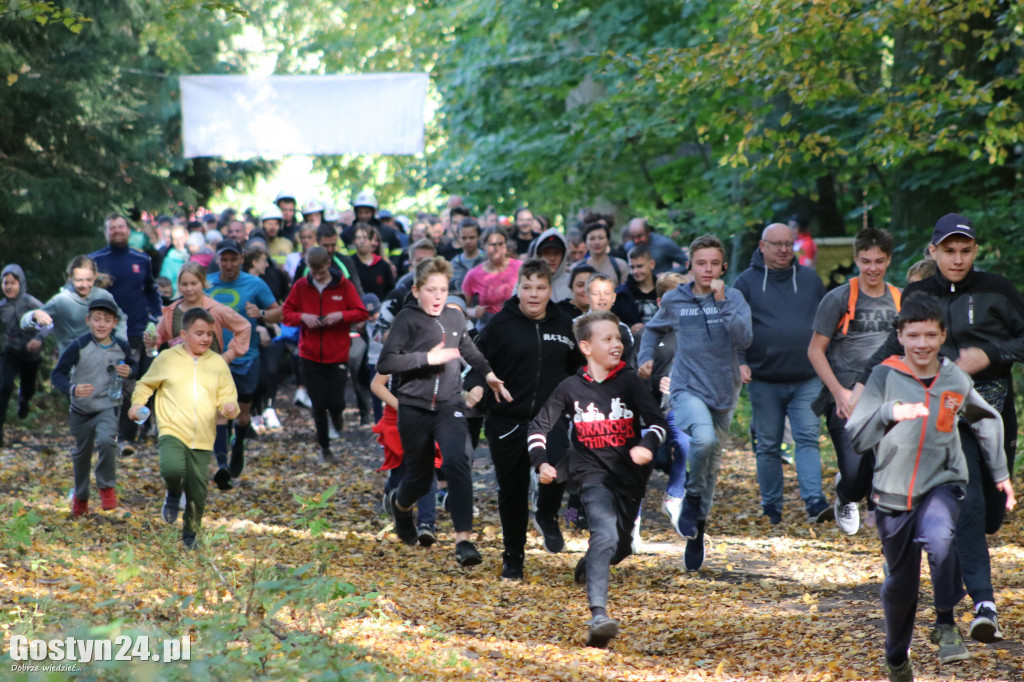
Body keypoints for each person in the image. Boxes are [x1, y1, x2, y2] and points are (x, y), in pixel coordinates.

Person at [856, 213, 1024, 644]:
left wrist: (988, 354)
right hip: (941, 415)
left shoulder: (998, 291)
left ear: (975, 252)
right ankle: (984, 603)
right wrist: (855, 384)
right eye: (949, 251)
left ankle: (966, 564)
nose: (957, 259)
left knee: (986, 513)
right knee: (964, 507)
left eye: (965, 251)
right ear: (933, 252)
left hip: (992, 409)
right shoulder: (919, 293)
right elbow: (899, 341)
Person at [846, 294, 1015, 679]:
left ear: (942, 336)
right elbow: (856, 434)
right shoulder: (884, 376)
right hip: (893, 493)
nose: (922, 344)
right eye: (913, 335)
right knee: (900, 587)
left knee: (940, 538)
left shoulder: (954, 377)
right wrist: (889, 413)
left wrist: (1001, 474)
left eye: (930, 335)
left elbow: (985, 419)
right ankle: (896, 656)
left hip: (944, 481)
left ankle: (945, 624)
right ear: (900, 337)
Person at [528, 310, 667, 648]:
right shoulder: (570, 387)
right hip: (591, 474)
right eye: (608, 339)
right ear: (586, 347)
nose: (616, 344)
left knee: (620, 546)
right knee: (602, 534)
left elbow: (658, 424)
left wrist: (647, 445)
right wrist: (541, 463)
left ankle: (587, 568)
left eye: (618, 338)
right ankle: (598, 616)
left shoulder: (631, 381)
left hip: (629, 478)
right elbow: (538, 427)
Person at [378, 257, 511, 567]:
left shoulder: (454, 316)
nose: (438, 296)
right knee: (420, 478)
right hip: (413, 407)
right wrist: (427, 357)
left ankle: (463, 540)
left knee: (458, 462)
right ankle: (400, 504)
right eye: (430, 290)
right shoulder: (406, 320)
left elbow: (467, 346)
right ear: (415, 290)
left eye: (443, 290)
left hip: (450, 405)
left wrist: (488, 373)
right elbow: (386, 363)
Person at [638, 234, 752, 571]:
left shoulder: (734, 298)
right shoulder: (675, 300)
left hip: (724, 393)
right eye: (701, 263)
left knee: (710, 466)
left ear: (723, 267)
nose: (707, 269)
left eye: (714, 263)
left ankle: (696, 528)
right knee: (702, 439)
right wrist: (645, 357)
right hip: (685, 389)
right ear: (690, 265)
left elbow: (744, 338)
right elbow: (652, 330)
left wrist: (722, 303)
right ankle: (690, 498)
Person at [473, 259, 582, 579]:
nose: (534, 295)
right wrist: (476, 389)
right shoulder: (500, 324)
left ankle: (546, 514)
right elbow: (478, 365)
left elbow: (579, 367)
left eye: (540, 288)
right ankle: (513, 556)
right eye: (527, 287)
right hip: (506, 419)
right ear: (517, 288)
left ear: (550, 290)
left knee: (559, 464)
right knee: (513, 489)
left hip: (550, 417)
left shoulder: (565, 324)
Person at [734, 222, 831, 524]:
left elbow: (827, 321)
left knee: (807, 438)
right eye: (776, 244)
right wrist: (740, 360)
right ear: (762, 246)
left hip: (807, 376)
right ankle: (771, 507)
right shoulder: (746, 282)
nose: (783, 250)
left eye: (788, 244)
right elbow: (735, 328)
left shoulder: (810, 279)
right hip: (763, 378)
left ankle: (815, 503)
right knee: (768, 444)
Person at [807, 228, 901, 535]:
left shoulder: (900, 299)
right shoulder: (838, 299)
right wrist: (838, 393)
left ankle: (884, 514)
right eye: (865, 261)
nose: (872, 268)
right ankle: (847, 493)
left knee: (885, 463)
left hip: (888, 394)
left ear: (888, 260)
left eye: (879, 260)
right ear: (855, 259)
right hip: (847, 394)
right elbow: (815, 350)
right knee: (854, 473)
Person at [129, 308, 239, 550]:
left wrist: (230, 406)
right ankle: (173, 492)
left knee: (198, 491)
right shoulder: (167, 359)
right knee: (172, 468)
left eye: (209, 334)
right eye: (199, 333)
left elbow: (227, 394)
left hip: (202, 436)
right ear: (183, 334)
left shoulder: (217, 363)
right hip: (172, 429)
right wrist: (138, 404)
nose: (205, 339)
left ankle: (191, 536)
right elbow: (146, 384)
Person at [148, 262, 251, 489]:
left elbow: (243, 327)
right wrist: (151, 343)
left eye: (194, 283)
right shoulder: (172, 311)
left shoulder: (215, 309)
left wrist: (229, 355)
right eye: (184, 284)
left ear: (203, 283)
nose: (189, 288)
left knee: (219, 415)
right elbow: (160, 337)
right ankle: (186, 470)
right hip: (180, 377)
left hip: (211, 372)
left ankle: (222, 465)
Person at [50, 299, 137, 516]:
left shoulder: (121, 346)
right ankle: (81, 497)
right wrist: (72, 388)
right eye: (97, 319)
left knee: (107, 441)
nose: (101, 324)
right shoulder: (79, 345)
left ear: (114, 323)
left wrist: (130, 371)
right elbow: (57, 373)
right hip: (80, 409)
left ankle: (106, 486)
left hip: (108, 405)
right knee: (82, 454)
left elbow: (135, 366)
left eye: (107, 320)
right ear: (88, 320)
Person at [282, 247, 369, 461]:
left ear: (328, 265)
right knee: (318, 403)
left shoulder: (343, 285)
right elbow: (286, 313)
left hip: (337, 353)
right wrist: (303, 317)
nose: (317, 276)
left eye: (320, 272)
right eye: (313, 272)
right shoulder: (301, 286)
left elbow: (361, 312)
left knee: (336, 402)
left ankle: (338, 419)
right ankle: (324, 447)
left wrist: (341, 315)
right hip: (309, 353)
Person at [206, 239, 282, 482]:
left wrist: (260, 314)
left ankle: (238, 444)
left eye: (233, 259)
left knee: (242, 414)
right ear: (218, 260)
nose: (228, 264)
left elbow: (278, 312)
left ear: (242, 259)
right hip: (215, 357)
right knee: (220, 411)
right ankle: (222, 463)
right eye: (224, 259)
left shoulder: (255, 284)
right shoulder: (207, 283)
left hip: (247, 357)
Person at [90, 213, 163, 455]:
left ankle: (141, 426)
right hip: (108, 333)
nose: (118, 231)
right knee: (122, 384)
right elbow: (82, 292)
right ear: (106, 232)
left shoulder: (141, 259)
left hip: (140, 330)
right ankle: (124, 438)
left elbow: (152, 291)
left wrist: (156, 316)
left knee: (144, 381)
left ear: (128, 231)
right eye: (113, 228)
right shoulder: (95, 260)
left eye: (121, 227)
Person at [371, 371, 440, 546]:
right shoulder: (397, 349)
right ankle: (392, 493)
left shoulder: (440, 350)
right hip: (397, 417)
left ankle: (426, 524)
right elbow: (376, 384)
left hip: (426, 417)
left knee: (427, 469)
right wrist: (402, 406)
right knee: (401, 473)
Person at [21, 255, 127, 355]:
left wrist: (121, 342)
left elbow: (121, 318)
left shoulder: (103, 296)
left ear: (95, 276)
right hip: (71, 364)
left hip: (99, 361)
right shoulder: (61, 300)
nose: (84, 285)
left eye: (88, 280)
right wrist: (35, 314)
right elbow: (24, 324)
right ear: (71, 277)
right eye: (79, 280)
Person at [0, 265, 46, 446]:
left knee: (28, 388)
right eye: (6, 283)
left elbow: (49, 322)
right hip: (10, 351)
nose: (9, 287)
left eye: (13, 283)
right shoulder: (2, 307)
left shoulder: (31, 303)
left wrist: (39, 339)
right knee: (3, 386)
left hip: (30, 354)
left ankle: (24, 400)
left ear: (21, 284)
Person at [461, 228, 522, 330]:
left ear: (506, 245)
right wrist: (472, 311)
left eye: (500, 244)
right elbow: (461, 308)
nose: (497, 248)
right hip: (487, 330)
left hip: (516, 326)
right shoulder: (473, 274)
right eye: (492, 244)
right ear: (484, 246)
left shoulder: (520, 268)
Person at [585, 273, 635, 367]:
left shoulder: (622, 329)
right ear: (587, 297)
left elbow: (629, 364)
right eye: (596, 294)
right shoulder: (575, 325)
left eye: (607, 293)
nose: (602, 298)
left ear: (614, 297)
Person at [612, 244, 659, 338]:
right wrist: (629, 328)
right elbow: (613, 324)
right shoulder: (620, 294)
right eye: (632, 267)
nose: (635, 271)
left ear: (652, 264)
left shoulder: (664, 290)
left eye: (640, 266)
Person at [623, 218, 689, 274]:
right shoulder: (629, 247)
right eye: (632, 237)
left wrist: (667, 274)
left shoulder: (665, 244)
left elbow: (687, 264)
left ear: (648, 232)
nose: (636, 241)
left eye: (639, 236)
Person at [352, 223, 397, 300]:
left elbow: (390, 292)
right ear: (354, 241)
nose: (362, 241)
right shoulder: (349, 263)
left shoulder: (383, 265)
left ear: (372, 240)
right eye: (358, 238)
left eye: (365, 237)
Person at [526, 228, 572, 302]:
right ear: (539, 255)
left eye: (557, 253)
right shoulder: (526, 281)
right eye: (547, 253)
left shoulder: (572, 284)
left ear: (563, 256)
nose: (552, 258)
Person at [449, 218, 485, 291]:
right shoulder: (453, 265)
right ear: (458, 237)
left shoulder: (487, 259)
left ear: (479, 237)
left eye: (472, 237)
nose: (468, 241)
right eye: (464, 238)